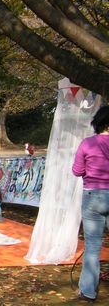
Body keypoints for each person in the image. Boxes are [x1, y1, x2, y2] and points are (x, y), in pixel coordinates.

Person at [72, 105, 109, 302]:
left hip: (93, 195)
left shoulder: (87, 143)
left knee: (93, 247)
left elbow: (77, 171)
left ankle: (87, 291)